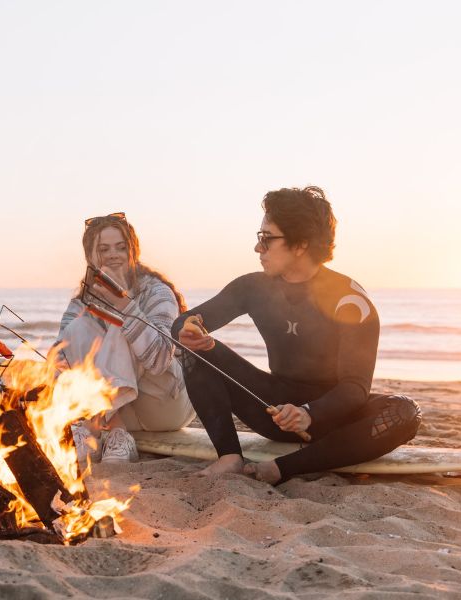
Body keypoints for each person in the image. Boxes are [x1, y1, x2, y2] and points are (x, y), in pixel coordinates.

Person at [172, 186, 421, 484]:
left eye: (267, 239)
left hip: (331, 417)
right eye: (259, 238)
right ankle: (229, 457)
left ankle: (283, 468)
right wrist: (190, 331)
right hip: (271, 409)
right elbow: (185, 322)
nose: (258, 248)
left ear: (300, 244)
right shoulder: (252, 287)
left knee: (405, 412)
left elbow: (355, 388)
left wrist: (309, 413)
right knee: (196, 351)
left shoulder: (350, 301)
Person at [56, 212, 195, 463]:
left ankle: (93, 429)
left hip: (165, 405)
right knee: (77, 329)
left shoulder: (157, 292)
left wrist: (126, 306)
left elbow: (160, 360)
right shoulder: (82, 301)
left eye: (121, 247)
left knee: (121, 324)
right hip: (122, 410)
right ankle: (118, 432)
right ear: (90, 256)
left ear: (133, 251)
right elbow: (59, 358)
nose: (113, 254)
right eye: (104, 248)